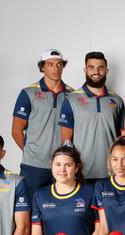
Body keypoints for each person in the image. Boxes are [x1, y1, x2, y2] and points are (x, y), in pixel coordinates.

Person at [12, 49, 74, 200]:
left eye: (59, 64)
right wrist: (32, 153)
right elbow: (16, 130)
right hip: (34, 166)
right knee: (31, 209)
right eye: (50, 64)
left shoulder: (72, 94)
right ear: (42, 67)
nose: (56, 68)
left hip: (62, 165)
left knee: (59, 210)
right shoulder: (28, 93)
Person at [58, 51, 125, 181]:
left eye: (100, 68)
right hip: (82, 173)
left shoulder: (117, 100)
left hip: (112, 172)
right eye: (91, 67)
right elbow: (66, 142)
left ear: (107, 70)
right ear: (85, 70)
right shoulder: (71, 100)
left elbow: (123, 138)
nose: (96, 71)